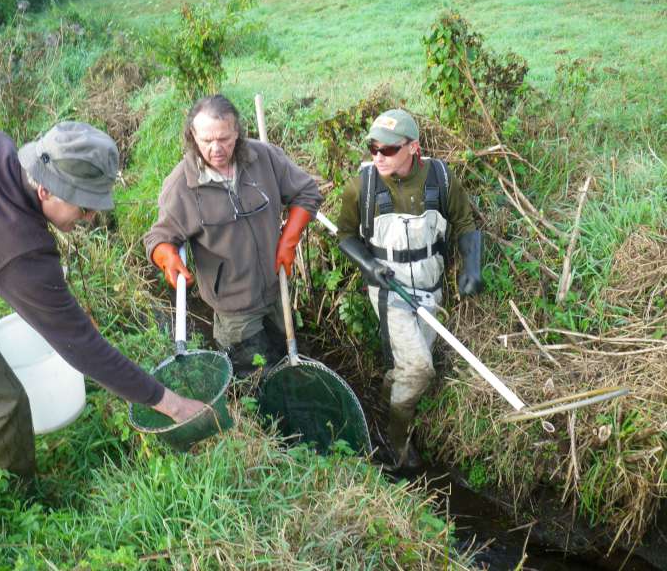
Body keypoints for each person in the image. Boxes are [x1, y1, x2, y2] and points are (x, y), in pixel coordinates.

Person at [0, 121, 205, 478]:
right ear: (45, 190)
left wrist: (59, 310)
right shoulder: (16, 249)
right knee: (2, 403)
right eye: (84, 206)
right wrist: (172, 404)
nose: (91, 217)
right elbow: (85, 351)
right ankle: (14, 508)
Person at [336, 109, 484, 471]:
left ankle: (378, 405)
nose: (378, 157)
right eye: (373, 148)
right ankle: (396, 445)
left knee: (404, 369)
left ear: (413, 147)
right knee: (419, 369)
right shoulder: (363, 186)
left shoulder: (440, 178)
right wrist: (370, 265)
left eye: (388, 150)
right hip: (390, 293)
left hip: (431, 291)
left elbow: (465, 223)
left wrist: (473, 268)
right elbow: (346, 237)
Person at [143, 95, 322, 377]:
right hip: (234, 308)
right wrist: (166, 258)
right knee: (253, 376)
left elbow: (307, 193)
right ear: (193, 136)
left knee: (285, 358)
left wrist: (288, 242)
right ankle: (257, 419)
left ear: (237, 131)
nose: (216, 149)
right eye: (206, 141)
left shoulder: (263, 158)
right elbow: (159, 237)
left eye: (224, 138)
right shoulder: (182, 185)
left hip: (277, 289)